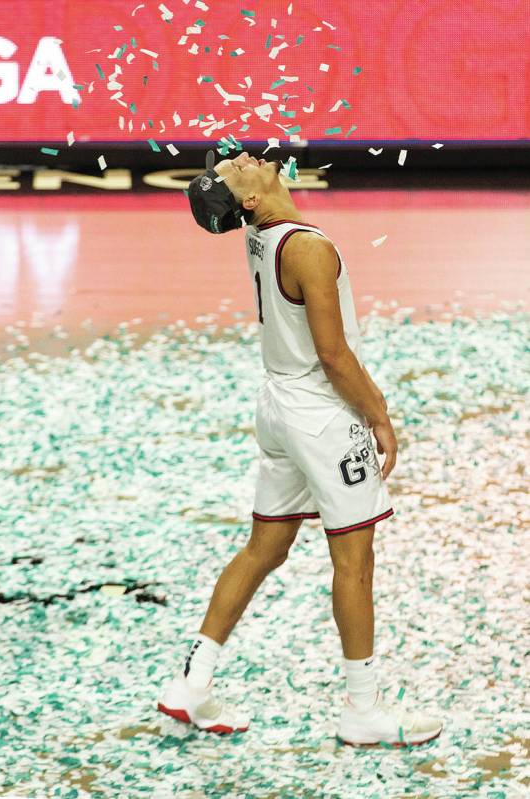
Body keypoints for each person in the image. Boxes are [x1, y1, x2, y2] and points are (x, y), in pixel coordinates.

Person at [157, 149, 444, 747]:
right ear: (251, 201)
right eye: (235, 170)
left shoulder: (261, 236)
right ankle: (362, 712)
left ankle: (192, 682)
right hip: (320, 417)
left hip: (278, 407)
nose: (242, 156)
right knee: (355, 560)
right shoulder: (308, 246)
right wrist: (379, 415)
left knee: (264, 546)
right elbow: (334, 355)